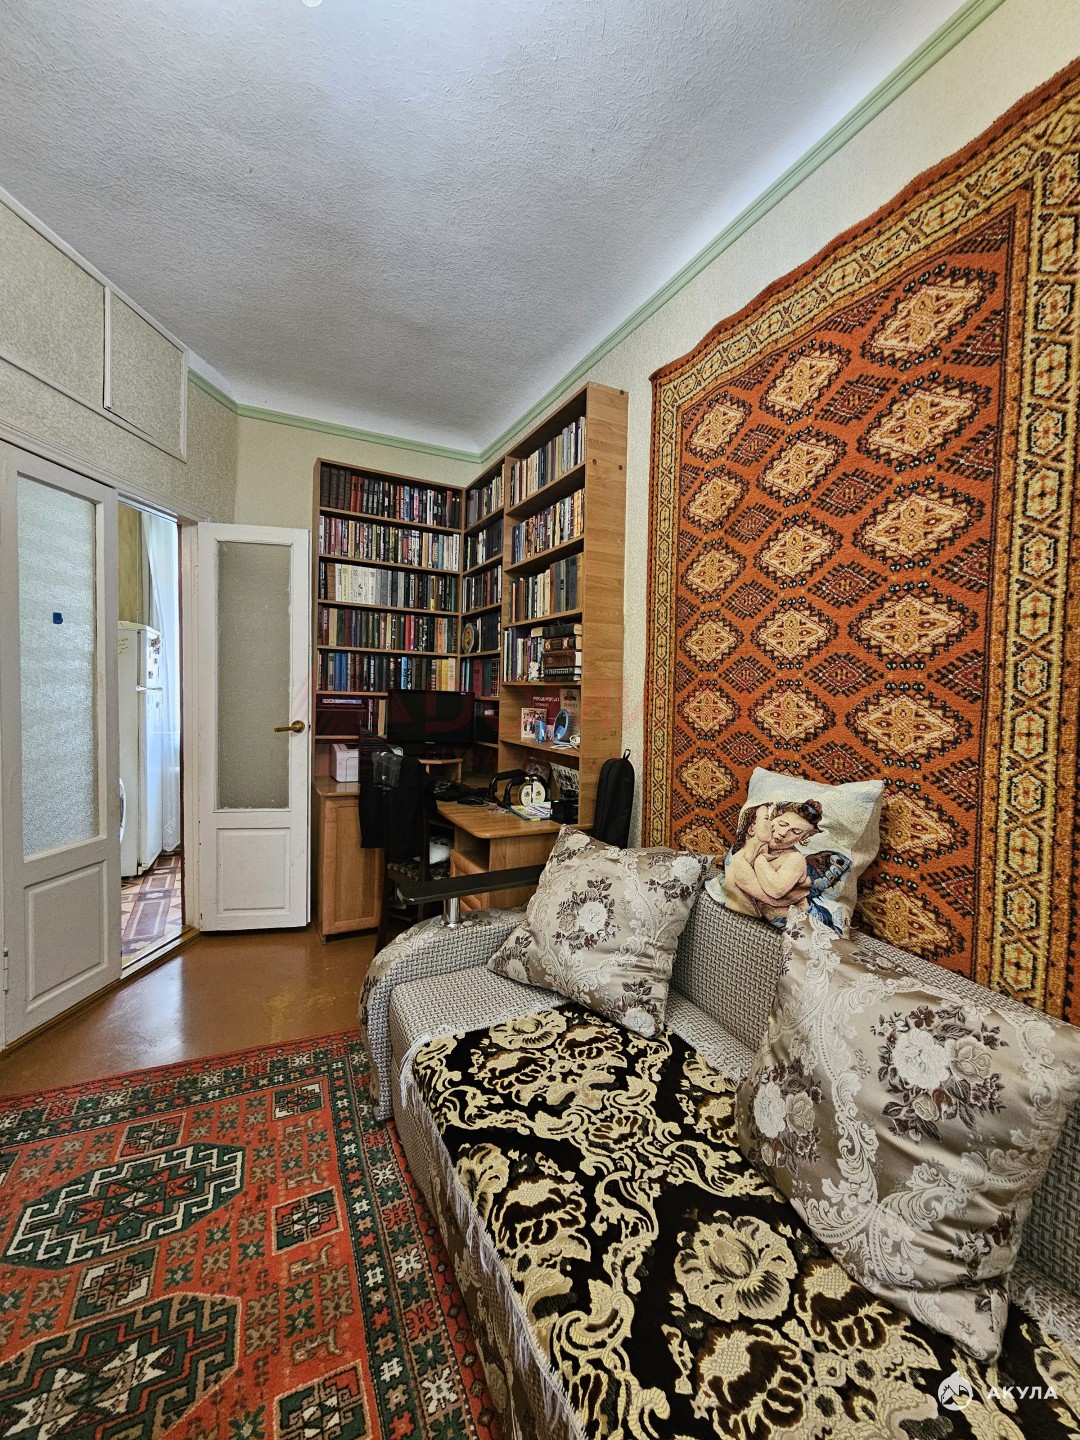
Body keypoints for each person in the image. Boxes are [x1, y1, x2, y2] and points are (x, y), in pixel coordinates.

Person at [723, 799, 825, 923]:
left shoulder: (795, 858)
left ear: (804, 837)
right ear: (773, 818)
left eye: (795, 832)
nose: (783, 833)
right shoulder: (755, 846)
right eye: (782, 824)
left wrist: (760, 861)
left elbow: (775, 892)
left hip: (803, 921)